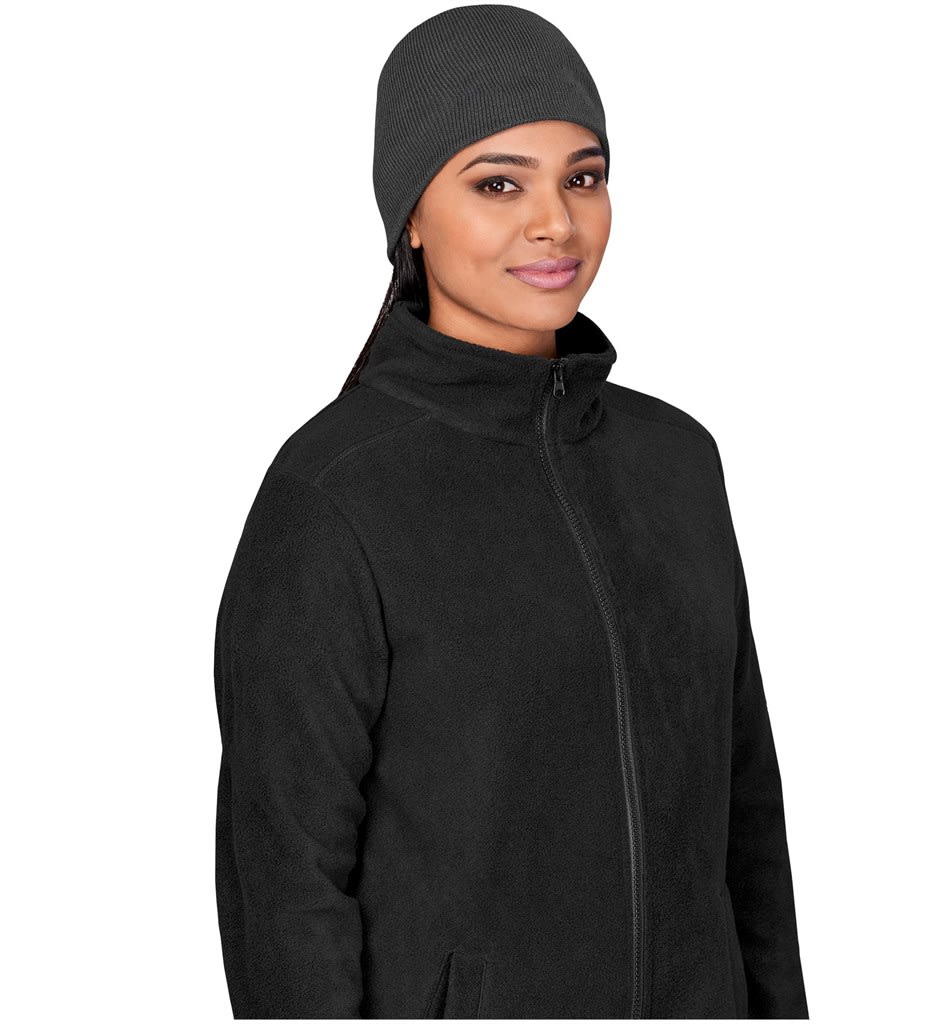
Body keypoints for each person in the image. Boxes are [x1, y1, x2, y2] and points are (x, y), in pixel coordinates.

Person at [213, 5, 809, 1019]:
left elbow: (746, 821)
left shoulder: (675, 462)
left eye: (583, 177)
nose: (556, 224)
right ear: (410, 215)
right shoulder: (334, 496)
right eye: (498, 183)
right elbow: (284, 886)